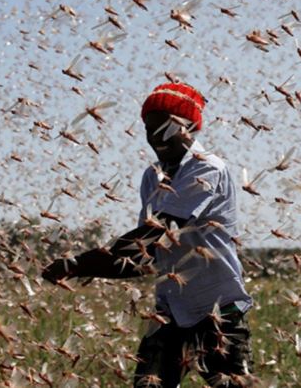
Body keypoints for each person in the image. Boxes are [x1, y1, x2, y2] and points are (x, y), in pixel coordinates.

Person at [42, 82, 256, 387]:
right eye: (149, 127)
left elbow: (154, 234)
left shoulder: (207, 168)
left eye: (167, 127)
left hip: (219, 310)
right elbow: (144, 257)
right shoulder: (151, 176)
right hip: (171, 310)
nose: (157, 136)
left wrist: (80, 264)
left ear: (191, 127)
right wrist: (82, 269)